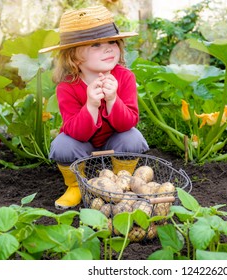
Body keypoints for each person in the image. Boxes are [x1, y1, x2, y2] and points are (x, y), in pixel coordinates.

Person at [39, 5, 149, 209]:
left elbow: (128, 123)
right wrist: (91, 105)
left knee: (132, 137)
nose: (108, 48)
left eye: (112, 42)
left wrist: (113, 100)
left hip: (115, 139)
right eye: (96, 44)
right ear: (73, 56)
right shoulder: (67, 87)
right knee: (63, 145)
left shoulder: (124, 77)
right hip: (82, 144)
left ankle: (120, 183)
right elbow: (75, 132)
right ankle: (75, 186)